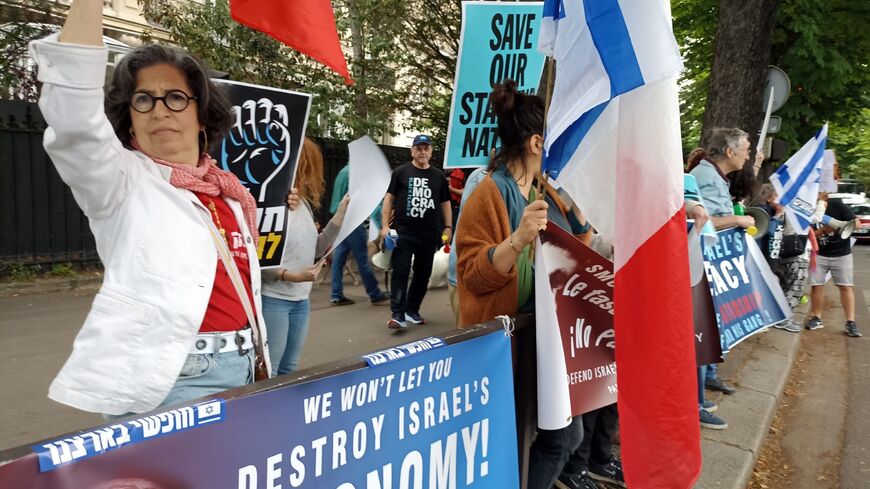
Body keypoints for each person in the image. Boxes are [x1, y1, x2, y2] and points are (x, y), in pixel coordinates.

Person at [28, 0, 267, 416]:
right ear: (130, 119)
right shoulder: (120, 181)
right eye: (144, 100)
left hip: (244, 365)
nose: (159, 110)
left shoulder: (230, 193)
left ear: (201, 115)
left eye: (175, 97)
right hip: (173, 379)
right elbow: (75, 121)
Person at [456, 80, 588, 489]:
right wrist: (516, 240)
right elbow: (472, 274)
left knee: (566, 434)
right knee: (524, 441)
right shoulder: (488, 192)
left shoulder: (545, 189)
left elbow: (577, 244)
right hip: (506, 345)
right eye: (553, 138)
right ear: (535, 142)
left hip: (546, 339)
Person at [262, 139, 350, 376]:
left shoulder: (304, 205)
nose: (310, 175)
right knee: (271, 370)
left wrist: (341, 216)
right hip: (274, 298)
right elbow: (258, 260)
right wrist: (292, 275)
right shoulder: (270, 205)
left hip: (301, 299)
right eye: (307, 167)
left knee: (289, 368)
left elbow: (316, 248)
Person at [689, 128, 759, 395]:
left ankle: (706, 382)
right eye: (746, 150)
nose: (748, 155)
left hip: (712, 267)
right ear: (730, 152)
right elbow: (699, 223)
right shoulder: (705, 177)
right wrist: (737, 220)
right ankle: (697, 399)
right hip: (703, 269)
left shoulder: (714, 175)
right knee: (703, 332)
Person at [379, 134, 452, 329]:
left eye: (425, 148)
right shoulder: (401, 172)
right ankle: (397, 314)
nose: (422, 152)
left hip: (429, 235)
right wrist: (385, 226)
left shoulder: (438, 177)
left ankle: (412, 310)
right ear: (412, 151)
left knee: (423, 274)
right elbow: (388, 199)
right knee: (400, 272)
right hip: (404, 233)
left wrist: (448, 227)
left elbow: (446, 204)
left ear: (431, 151)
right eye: (418, 148)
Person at [328, 163, 389, 306]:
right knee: (362, 259)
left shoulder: (343, 172)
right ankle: (374, 293)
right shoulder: (357, 175)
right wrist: (381, 223)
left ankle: (336, 295)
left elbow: (336, 201)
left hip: (341, 220)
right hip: (354, 221)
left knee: (338, 259)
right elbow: (369, 202)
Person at [750, 184, 803, 333]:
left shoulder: (772, 211)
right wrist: (778, 216)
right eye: (778, 195)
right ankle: (775, 319)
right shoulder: (764, 212)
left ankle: (777, 318)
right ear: (768, 198)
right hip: (762, 256)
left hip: (769, 256)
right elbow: (772, 233)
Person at [806, 198, 861, 337]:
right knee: (817, 285)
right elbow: (806, 234)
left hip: (842, 254)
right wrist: (824, 230)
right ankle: (816, 317)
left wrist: (839, 225)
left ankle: (851, 322)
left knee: (845, 286)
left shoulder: (836, 205)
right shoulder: (806, 207)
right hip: (818, 254)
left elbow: (858, 224)